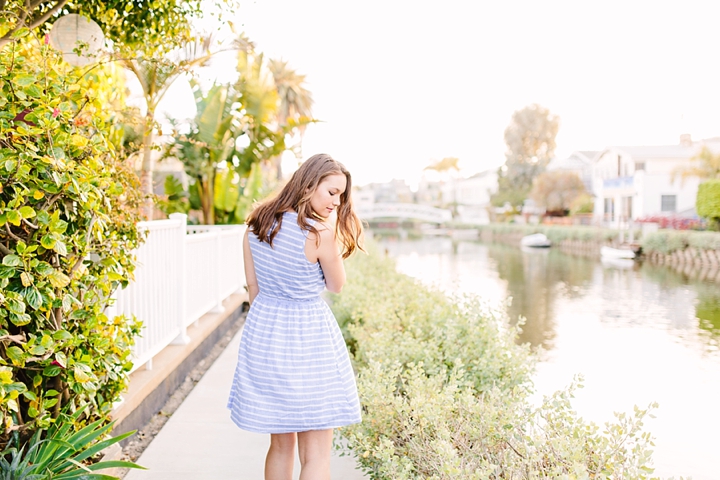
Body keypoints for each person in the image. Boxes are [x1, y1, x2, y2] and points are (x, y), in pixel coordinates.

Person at [227, 153, 364, 480]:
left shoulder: (257, 223)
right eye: (332, 192)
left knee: (280, 444)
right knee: (316, 455)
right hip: (309, 339)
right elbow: (337, 285)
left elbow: (254, 288)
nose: (337, 201)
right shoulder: (318, 233)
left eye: (342, 195)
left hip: (266, 333)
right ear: (309, 184)